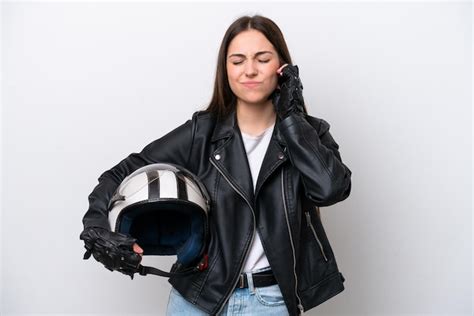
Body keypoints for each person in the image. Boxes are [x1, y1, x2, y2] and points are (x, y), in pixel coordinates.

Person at [80, 14, 352, 316]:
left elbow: (330, 190)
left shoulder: (309, 134)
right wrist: (96, 226)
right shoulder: (202, 133)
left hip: (270, 302)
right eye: (237, 61)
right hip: (196, 298)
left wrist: (292, 121)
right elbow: (121, 173)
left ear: (282, 68)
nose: (250, 70)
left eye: (262, 59)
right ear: (226, 70)